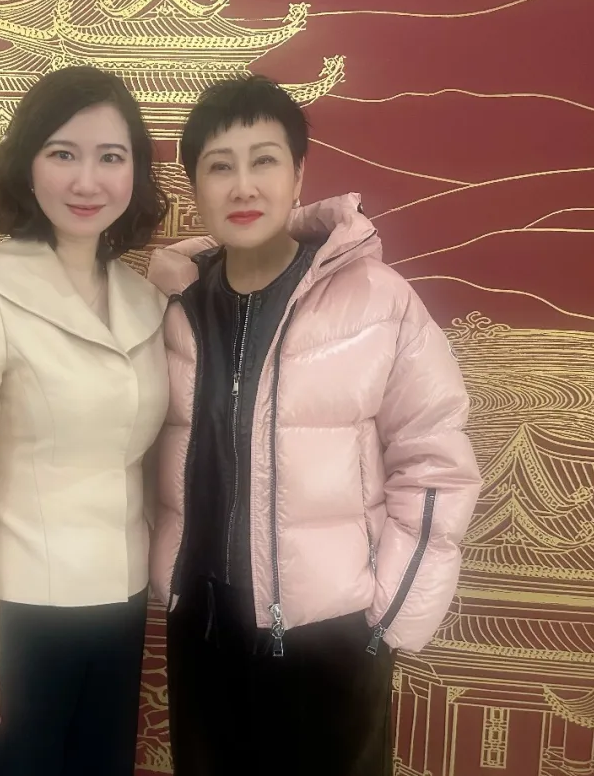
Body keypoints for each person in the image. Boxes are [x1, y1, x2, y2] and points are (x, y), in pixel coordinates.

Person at [146, 75, 483, 774]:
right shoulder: (175, 307)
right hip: (202, 627)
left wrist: (388, 616)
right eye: (220, 166)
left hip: (331, 637)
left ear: (298, 175)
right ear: (195, 185)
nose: (244, 185)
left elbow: (435, 459)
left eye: (264, 160)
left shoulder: (378, 300)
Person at [0, 65, 169, 776]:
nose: (87, 181)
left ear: (134, 173)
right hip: (14, 616)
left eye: (110, 157)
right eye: (63, 153)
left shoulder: (146, 301)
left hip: (119, 608)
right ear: (28, 164)